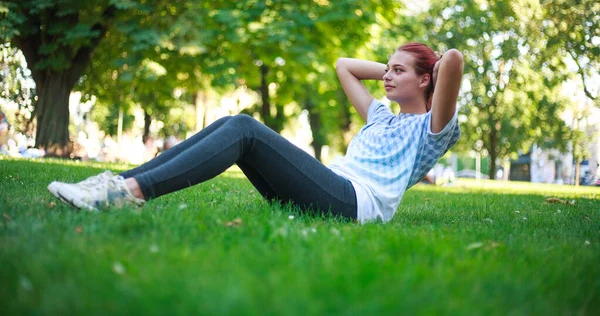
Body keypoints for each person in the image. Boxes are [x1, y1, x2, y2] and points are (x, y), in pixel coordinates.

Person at [48, 43, 463, 223]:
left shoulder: (433, 130)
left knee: (246, 129)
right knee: (234, 125)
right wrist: (396, 66)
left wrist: (430, 65)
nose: (386, 77)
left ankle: (127, 194)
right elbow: (343, 65)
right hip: (330, 190)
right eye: (386, 69)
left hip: (355, 204)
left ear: (427, 80)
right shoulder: (380, 117)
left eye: (397, 71)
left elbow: (455, 60)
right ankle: (117, 184)